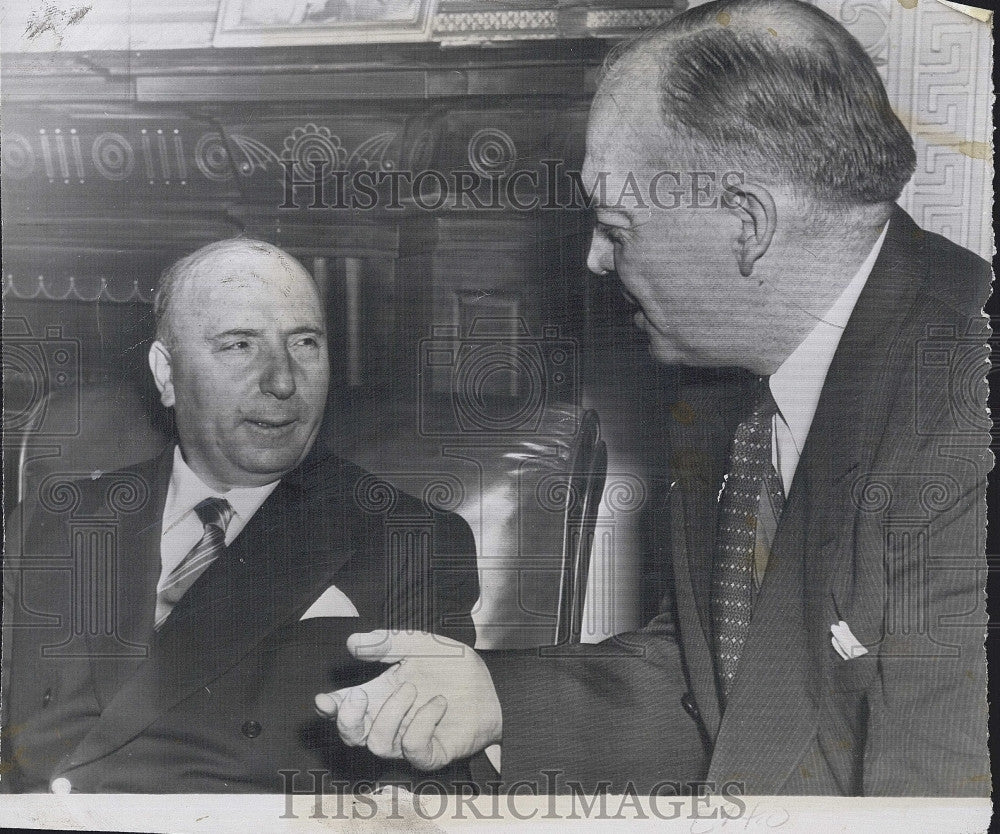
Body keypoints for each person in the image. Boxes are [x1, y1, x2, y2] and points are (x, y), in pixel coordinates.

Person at [314, 0, 991, 796]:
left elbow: (935, 802)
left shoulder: (971, 414)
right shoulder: (723, 387)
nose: (597, 260)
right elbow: (726, 688)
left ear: (746, 223)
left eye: (616, 224)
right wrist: (494, 697)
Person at [1, 238, 478, 793]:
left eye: (304, 343)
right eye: (239, 346)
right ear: (166, 373)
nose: (282, 381)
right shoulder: (51, 523)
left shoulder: (409, 539)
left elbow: (434, 782)